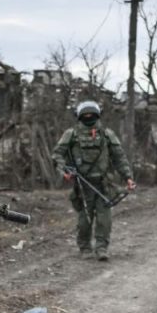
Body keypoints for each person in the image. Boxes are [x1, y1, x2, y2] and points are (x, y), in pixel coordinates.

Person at [52, 100, 136, 260]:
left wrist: (128, 177)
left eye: (92, 115)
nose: (89, 117)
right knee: (85, 219)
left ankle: (101, 248)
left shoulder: (106, 134)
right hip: (82, 185)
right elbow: (57, 154)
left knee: (105, 219)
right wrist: (65, 171)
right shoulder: (71, 134)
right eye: (86, 115)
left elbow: (119, 157)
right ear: (79, 116)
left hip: (103, 184)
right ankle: (84, 248)